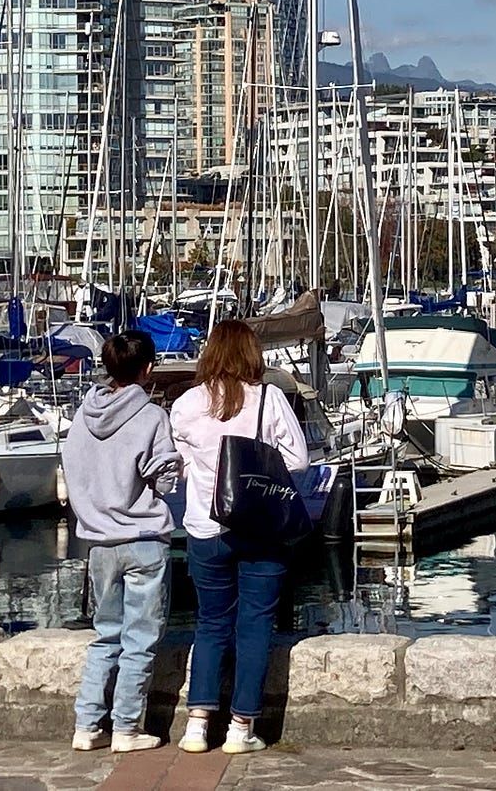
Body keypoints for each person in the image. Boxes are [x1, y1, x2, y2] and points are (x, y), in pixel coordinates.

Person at [170, 319, 309, 755]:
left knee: (211, 623)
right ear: (253, 354)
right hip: (260, 527)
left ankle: (196, 725)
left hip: (205, 527)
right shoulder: (269, 398)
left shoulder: (187, 403)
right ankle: (240, 727)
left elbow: (182, 466)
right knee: (255, 625)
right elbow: (299, 460)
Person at [61, 330, 180, 754]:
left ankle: (87, 724)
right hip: (143, 538)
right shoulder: (151, 417)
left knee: (104, 634)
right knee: (139, 639)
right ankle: (126, 726)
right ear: (147, 368)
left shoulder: (82, 416)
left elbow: (73, 468)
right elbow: (165, 479)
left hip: (99, 541)